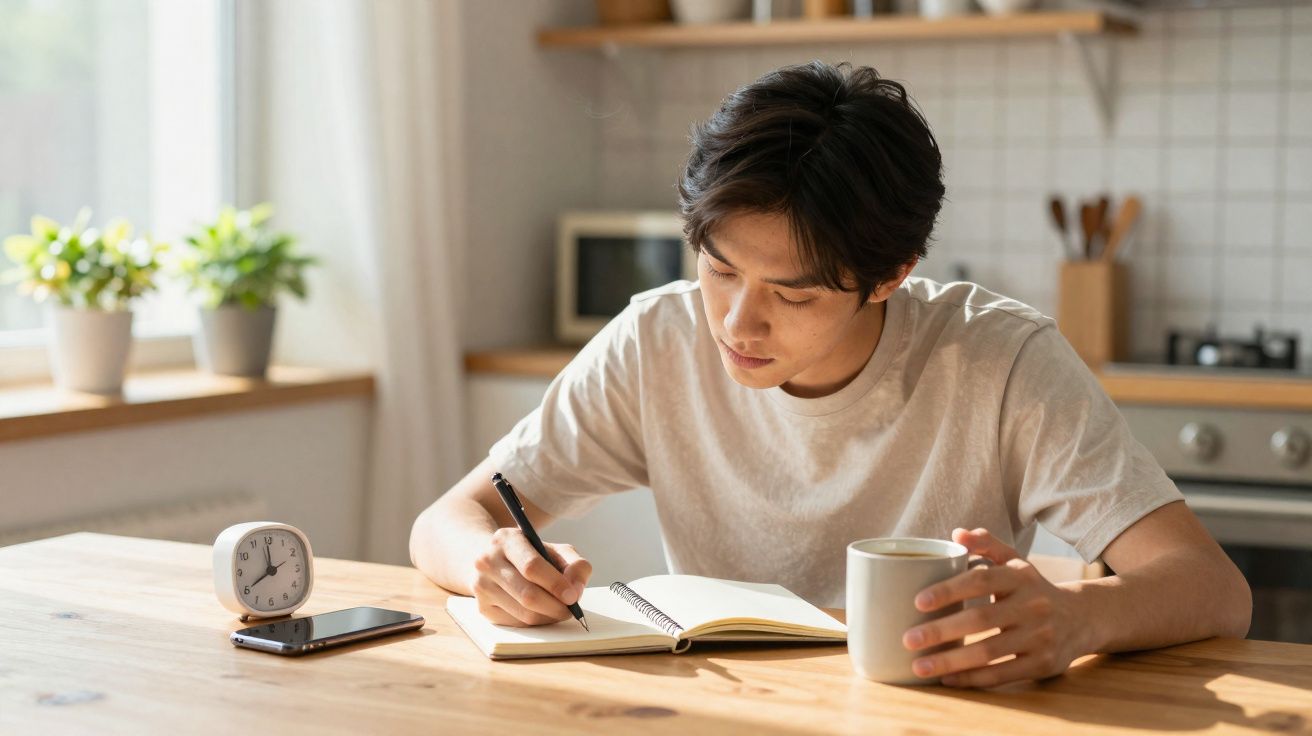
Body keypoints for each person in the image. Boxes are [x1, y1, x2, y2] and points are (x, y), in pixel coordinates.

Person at [410, 61, 1251, 688]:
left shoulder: (1000, 359)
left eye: (794, 293)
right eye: (719, 268)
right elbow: (449, 517)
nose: (738, 322)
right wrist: (491, 561)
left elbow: (1214, 589)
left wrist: (1078, 617)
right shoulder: (655, 338)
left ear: (890, 276)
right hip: (725, 707)